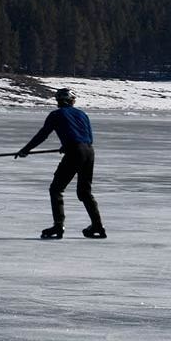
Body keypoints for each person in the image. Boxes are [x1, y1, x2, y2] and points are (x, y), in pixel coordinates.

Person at [16, 88, 105, 239]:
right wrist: (68, 146)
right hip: (89, 151)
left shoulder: (56, 115)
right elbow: (86, 137)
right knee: (85, 192)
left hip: (75, 151)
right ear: (72, 101)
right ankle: (97, 226)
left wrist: (26, 149)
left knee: (56, 189)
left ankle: (58, 226)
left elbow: (43, 134)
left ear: (58, 101)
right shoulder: (82, 114)